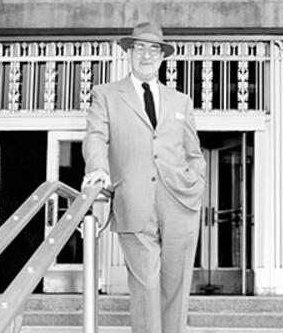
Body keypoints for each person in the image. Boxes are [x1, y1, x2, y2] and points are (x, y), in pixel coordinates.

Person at [81, 21, 206, 333]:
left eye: (153, 49)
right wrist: (97, 168)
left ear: (162, 57)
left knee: (176, 284)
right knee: (146, 285)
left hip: (180, 202)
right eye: (140, 48)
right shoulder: (106, 95)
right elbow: (96, 136)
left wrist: (196, 184)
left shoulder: (181, 101)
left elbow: (193, 152)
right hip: (134, 200)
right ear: (129, 52)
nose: (146, 55)